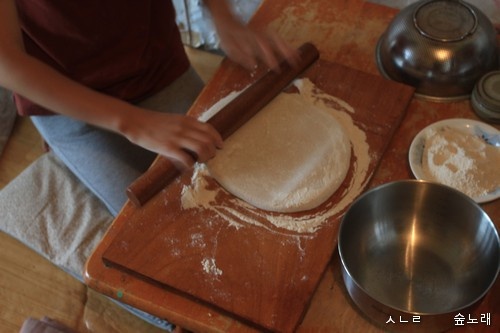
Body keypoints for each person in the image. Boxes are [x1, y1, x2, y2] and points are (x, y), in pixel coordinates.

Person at [0, 0, 298, 216]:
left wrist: (222, 15)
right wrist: (132, 123)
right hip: (64, 92)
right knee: (157, 224)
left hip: (154, 59)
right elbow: (6, 60)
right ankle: (64, 144)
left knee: (239, 181)